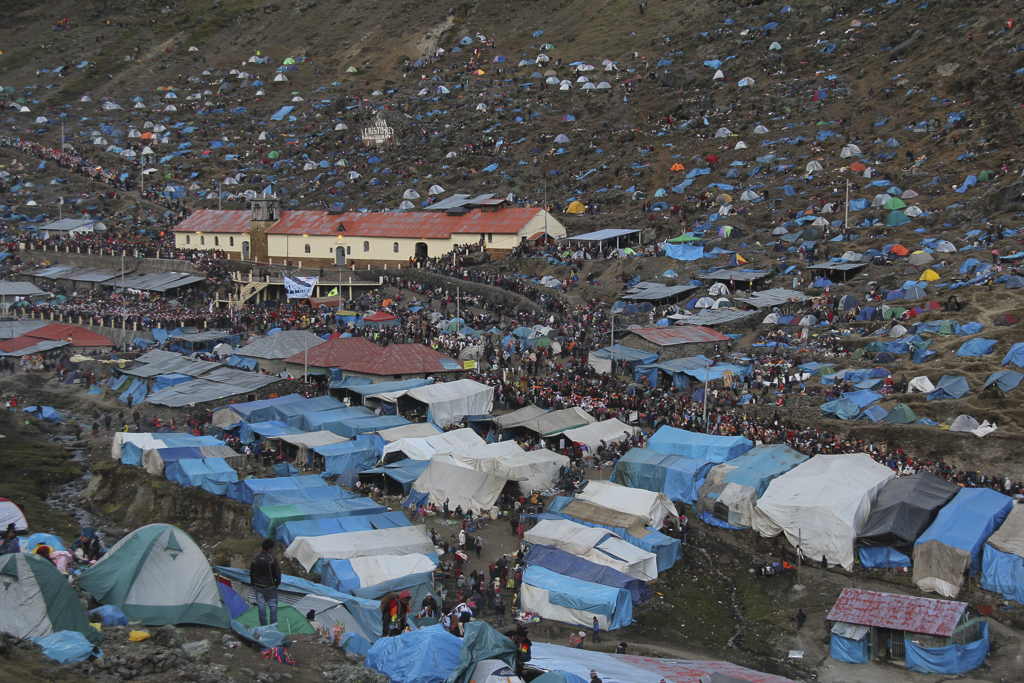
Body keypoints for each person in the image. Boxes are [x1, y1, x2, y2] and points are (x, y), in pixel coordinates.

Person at [250, 539, 282, 626]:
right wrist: (277, 583)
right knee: (273, 605)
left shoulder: (256, 557)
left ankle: (263, 625)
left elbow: (252, 572)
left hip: (258, 585)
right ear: (270, 548)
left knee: (261, 605)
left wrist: (253, 583)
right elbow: (277, 573)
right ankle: (273, 625)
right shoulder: (272, 559)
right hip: (270, 585)